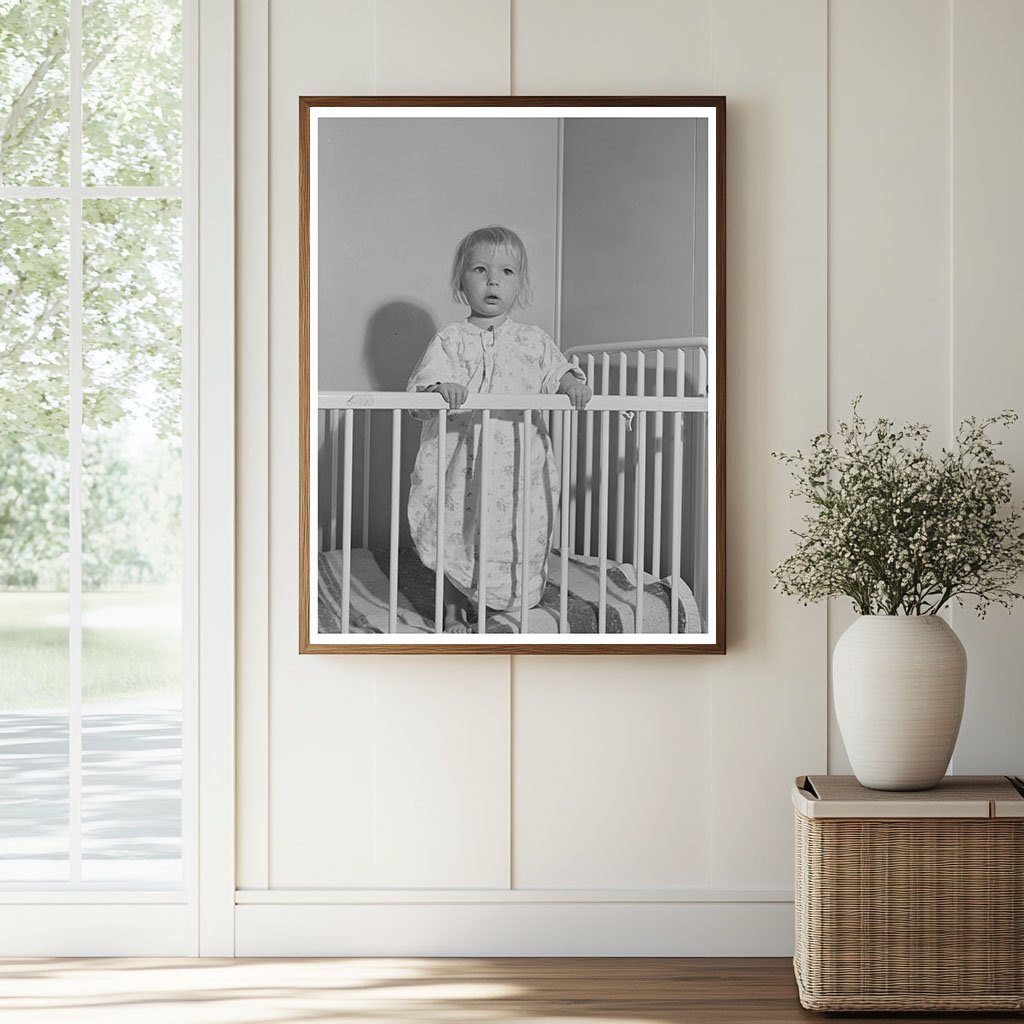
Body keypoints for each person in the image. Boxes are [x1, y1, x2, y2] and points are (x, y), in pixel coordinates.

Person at [407, 225, 592, 633]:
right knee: (458, 534)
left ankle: (504, 600)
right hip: (463, 466)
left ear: (520, 284)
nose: (493, 280)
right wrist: (442, 387)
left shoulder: (534, 341)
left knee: (516, 532)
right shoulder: (451, 340)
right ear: (461, 281)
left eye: (507, 272)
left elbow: (557, 372)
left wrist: (572, 386)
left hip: (518, 467)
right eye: (480, 269)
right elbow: (423, 388)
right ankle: (454, 609)